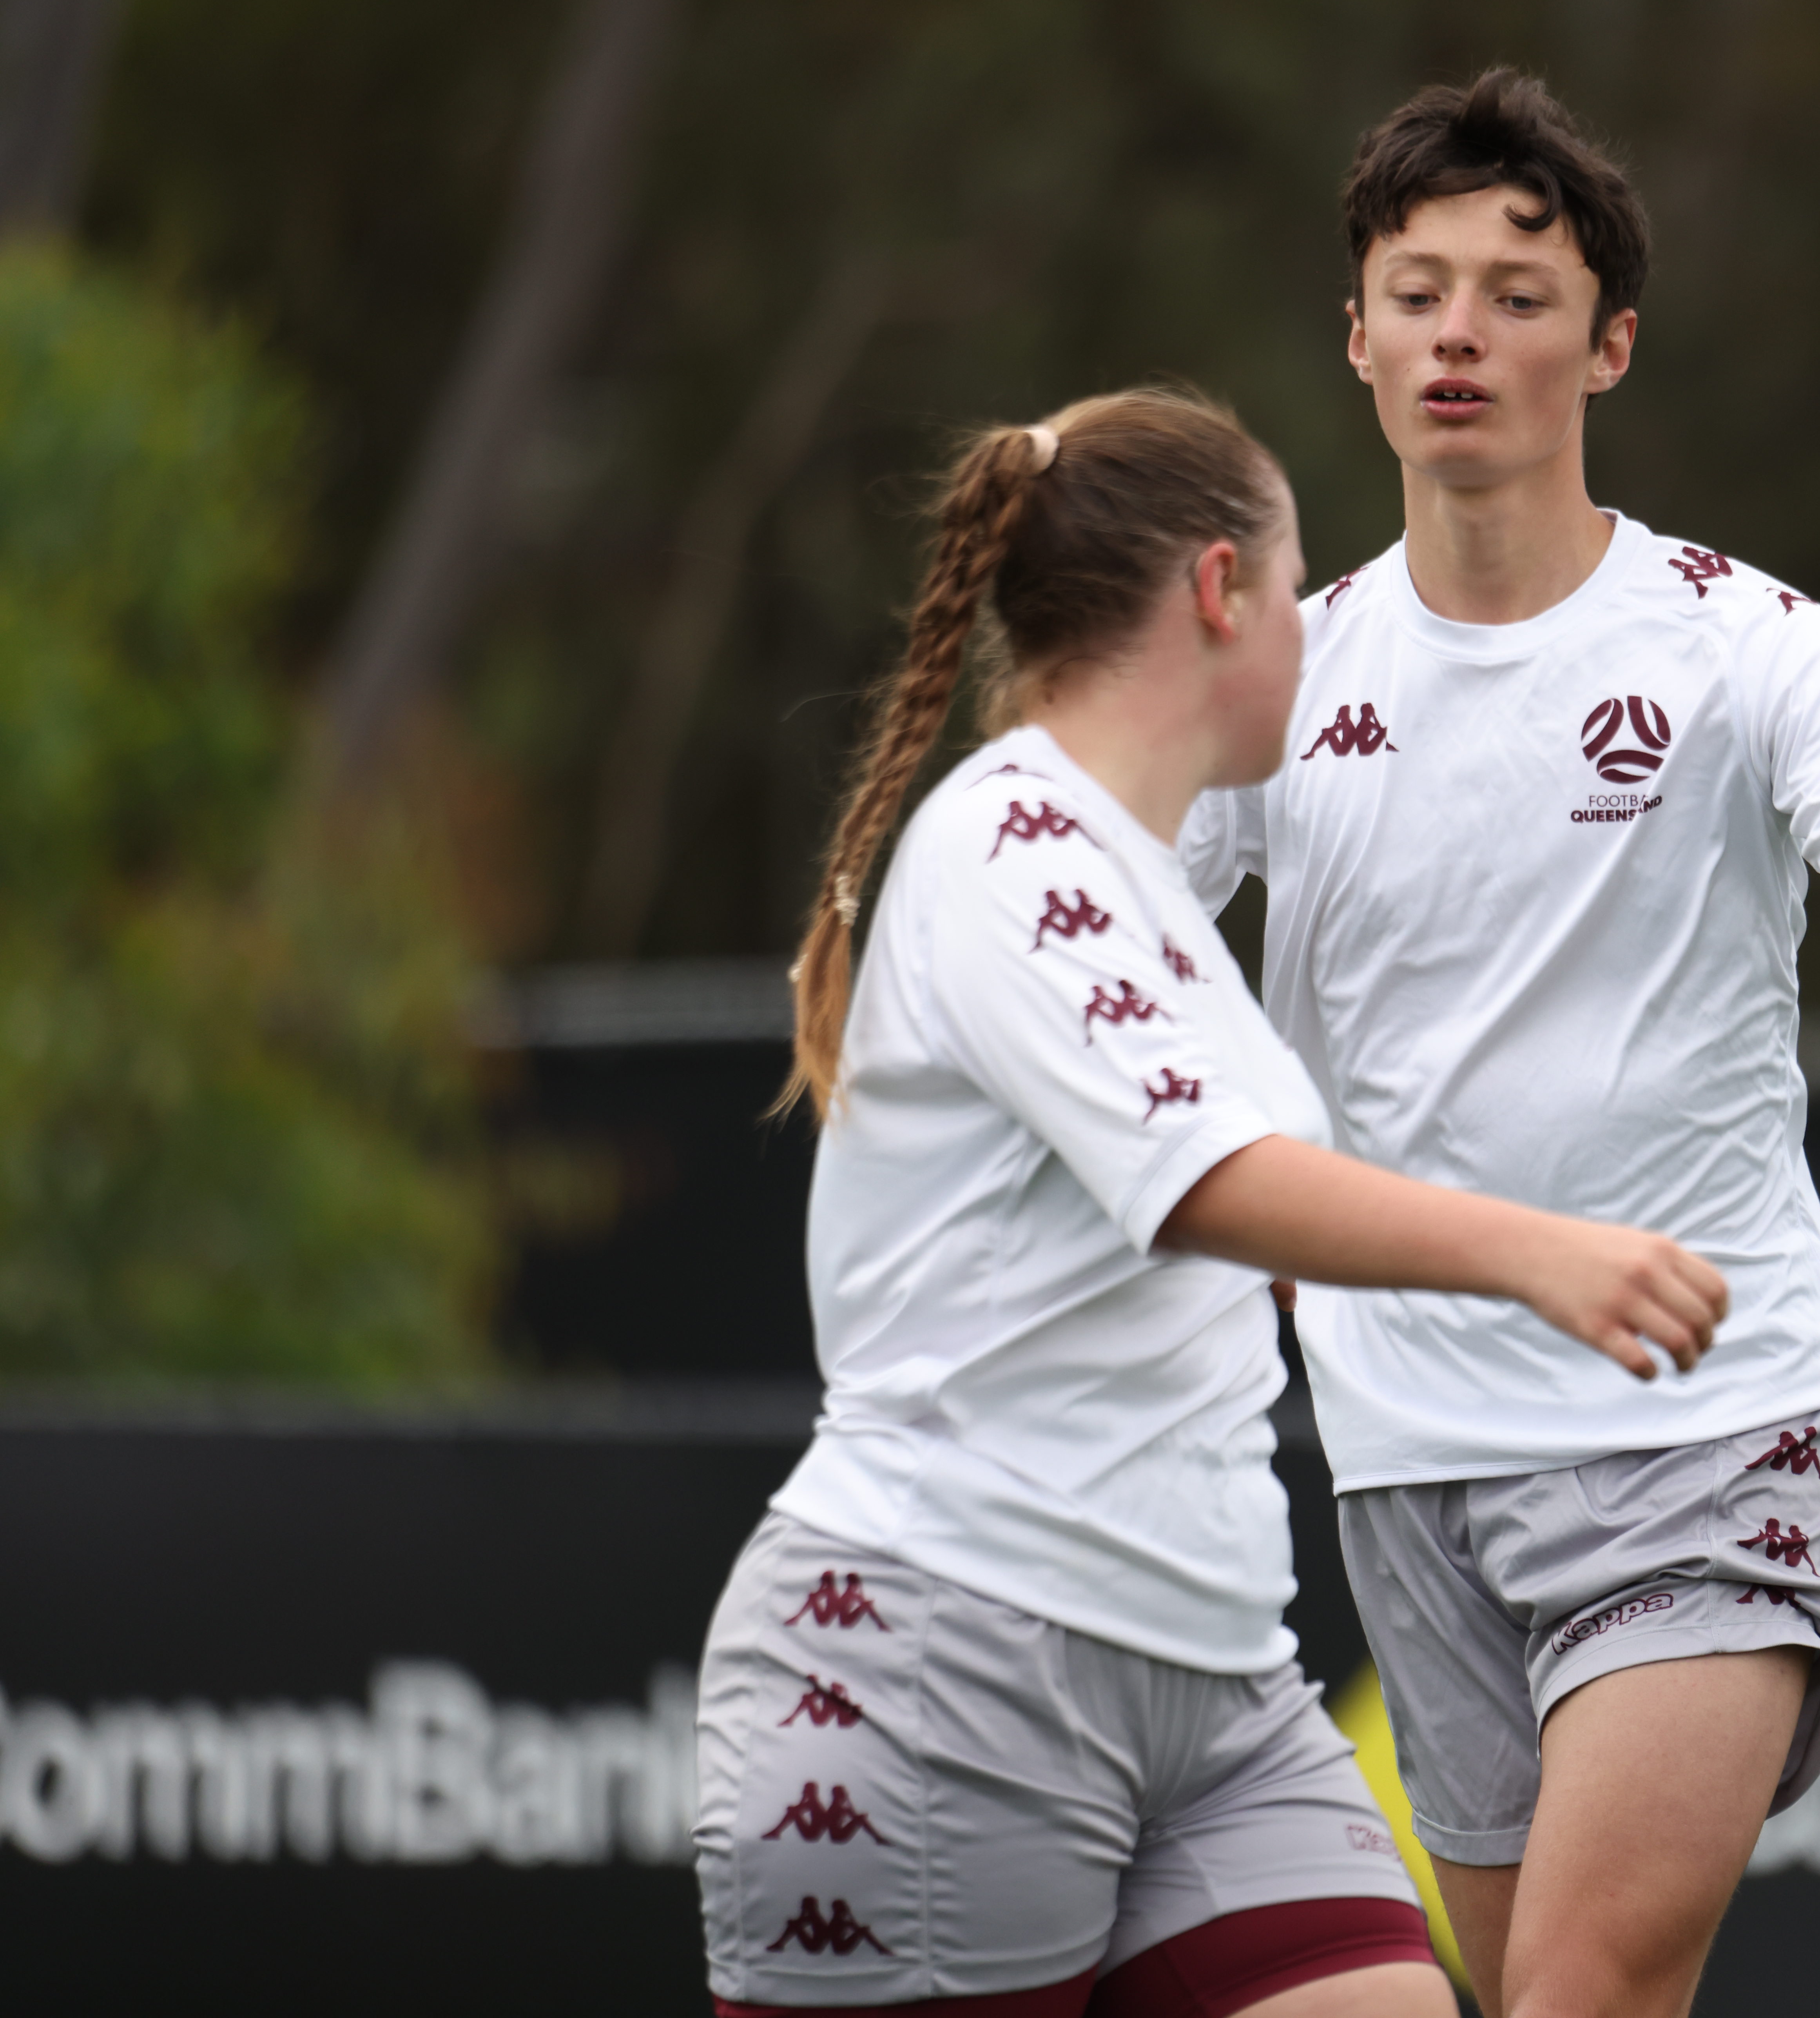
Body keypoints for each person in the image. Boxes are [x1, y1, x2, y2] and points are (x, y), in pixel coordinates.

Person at [1179, 74, 1820, 2018]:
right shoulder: (1278, 678)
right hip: (1406, 1448)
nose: (1458, 333)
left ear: (1605, 347)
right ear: (1355, 338)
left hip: (1707, 1417)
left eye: (1516, 297)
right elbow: (1108, 946)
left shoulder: (1750, 648)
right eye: (1416, 293)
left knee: (1582, 1984)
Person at [694, 385, 1731, 2018]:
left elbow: (1194, 1218)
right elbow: (1210, 1187)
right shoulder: (1009, 847)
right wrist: (1537, 1255)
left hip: (1214, 1683)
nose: (1316, 634)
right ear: (1219, 591)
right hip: (946, 1654)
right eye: (1298, 583)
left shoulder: (1138, 869)